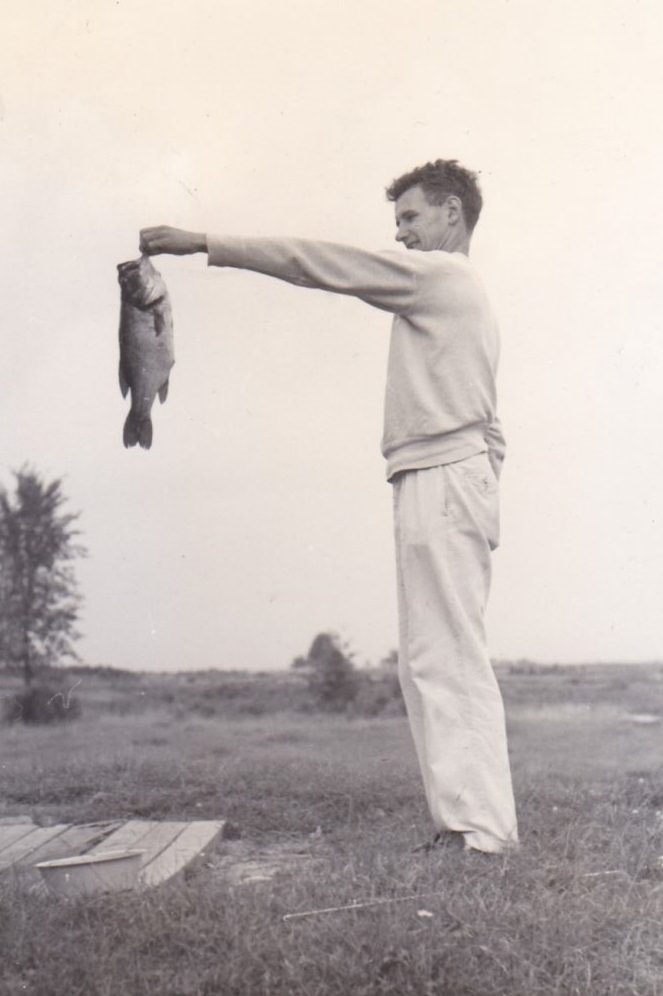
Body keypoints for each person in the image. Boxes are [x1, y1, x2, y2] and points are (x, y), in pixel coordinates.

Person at [139, 158, 518, 855]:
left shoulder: (442, 276)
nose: (399, 234)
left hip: (442, 475)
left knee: (447, 658)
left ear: (450, 214)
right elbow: (491, 425)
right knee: (427, 660)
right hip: (432, 473)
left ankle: (484, 836)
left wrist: (204, 243)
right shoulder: (451, 291)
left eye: (409, 217)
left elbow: (316, 261)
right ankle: (464, 826)